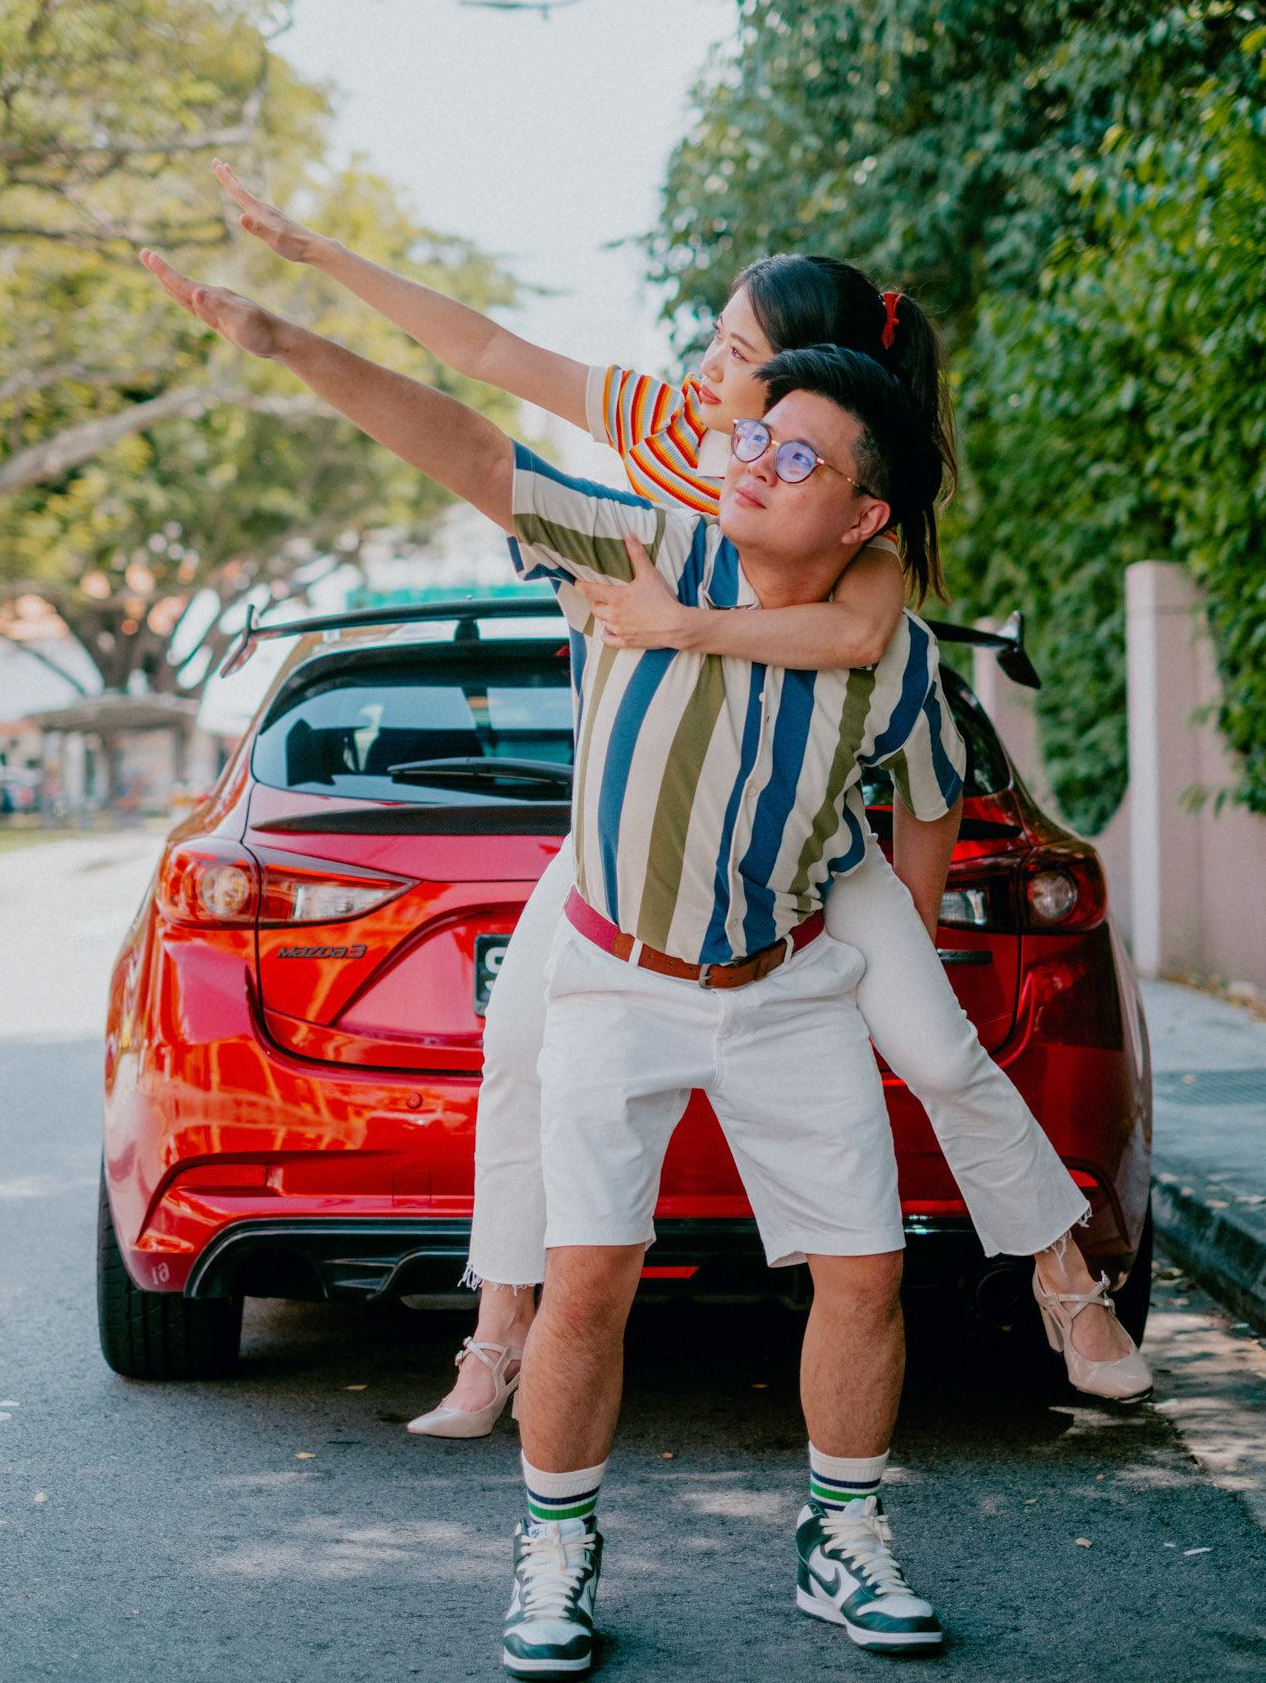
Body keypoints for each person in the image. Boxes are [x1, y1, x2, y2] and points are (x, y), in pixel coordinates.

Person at [208, 163, 1152, 1426]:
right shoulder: (672, 432)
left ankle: (1063, 1272)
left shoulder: (841, 503)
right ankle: (499, 1330)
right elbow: (486, 363)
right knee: (520, 1049)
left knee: (938, 1045)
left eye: (738, 351)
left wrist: (688, 627)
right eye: (716, 339)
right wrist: (316, 262)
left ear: (811, 385)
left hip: (811, 858)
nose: (709, 368)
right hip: (629, 843)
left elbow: (862, 637)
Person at [139, 242, 966, 1663]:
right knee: (586, 1278)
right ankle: (557, 1549)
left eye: (797, 456)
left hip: (786, 988)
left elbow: (932, 791)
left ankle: (844, 1537)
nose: (751, 458)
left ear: (864, 513)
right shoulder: (632, 542)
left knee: (864, 1273)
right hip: (614, 978)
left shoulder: (881, 644)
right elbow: (470, 439)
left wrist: (915, 946)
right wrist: (287, 340)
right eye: (752, 434)